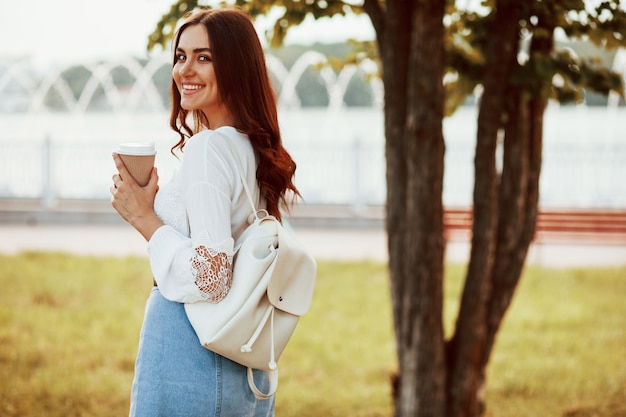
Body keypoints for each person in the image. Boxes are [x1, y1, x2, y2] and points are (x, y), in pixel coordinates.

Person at [110, 7, 299, 417]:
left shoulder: (208, 148)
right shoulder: (252, 146)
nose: (185, 71)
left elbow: (212, 276)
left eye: (204, 57)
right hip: (242, 353)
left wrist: (143, 217)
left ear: (235, 65)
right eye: (180, 57)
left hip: (190, 347)